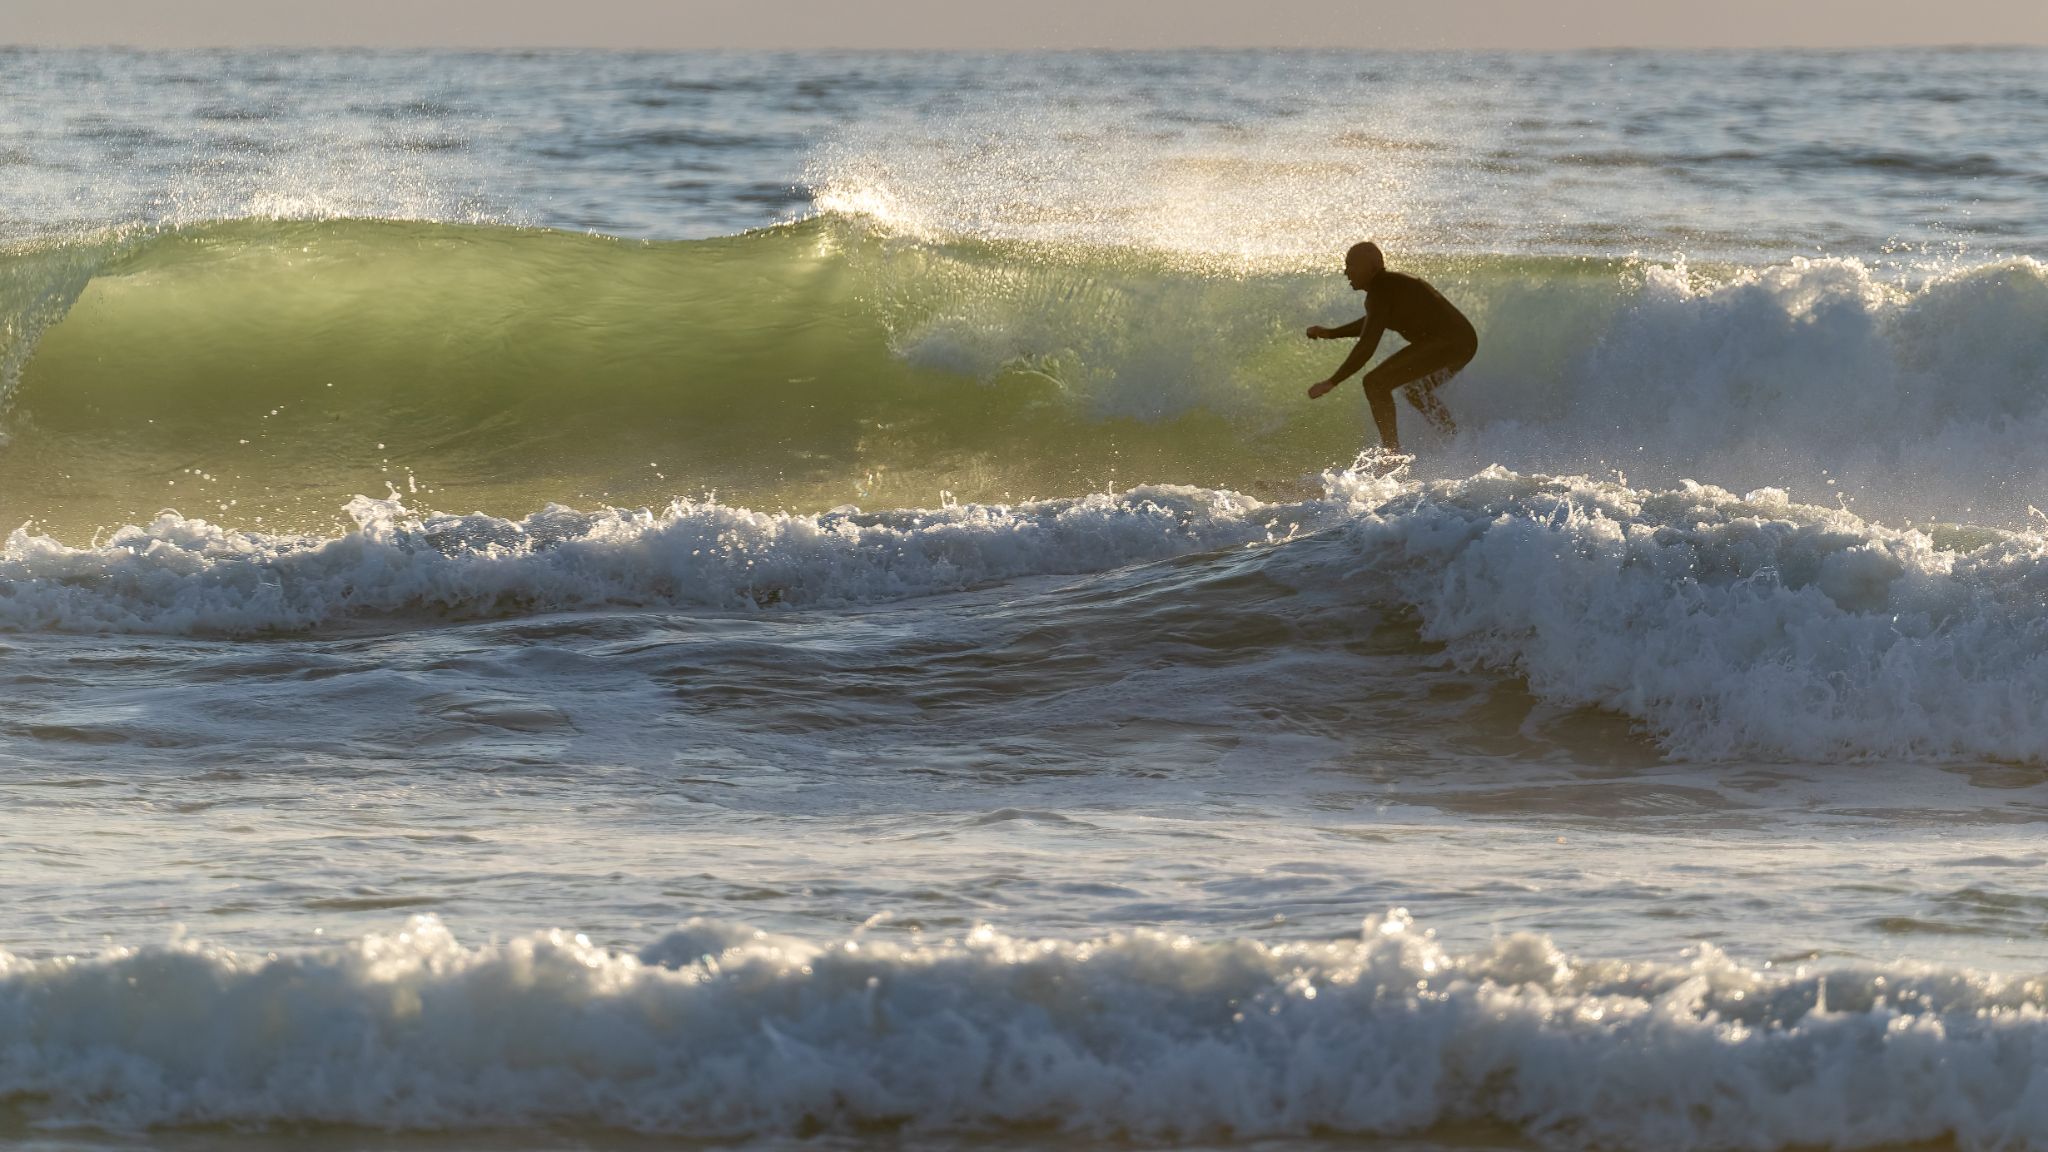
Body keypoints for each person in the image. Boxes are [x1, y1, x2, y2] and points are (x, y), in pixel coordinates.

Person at [1305, 241, 1478, 452]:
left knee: (1375, 383)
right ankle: (1457, 440)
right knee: (1415, 390)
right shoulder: (1387, 288)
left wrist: (1332, 382)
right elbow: (1372, 323)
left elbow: (1367, 346)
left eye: (1350, 265)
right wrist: (1331, 333)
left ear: (1371, 267)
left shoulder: (1381, 291)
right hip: (1464, 344)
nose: (1345, 272)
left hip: (1449, 342)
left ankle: (1391, 453)